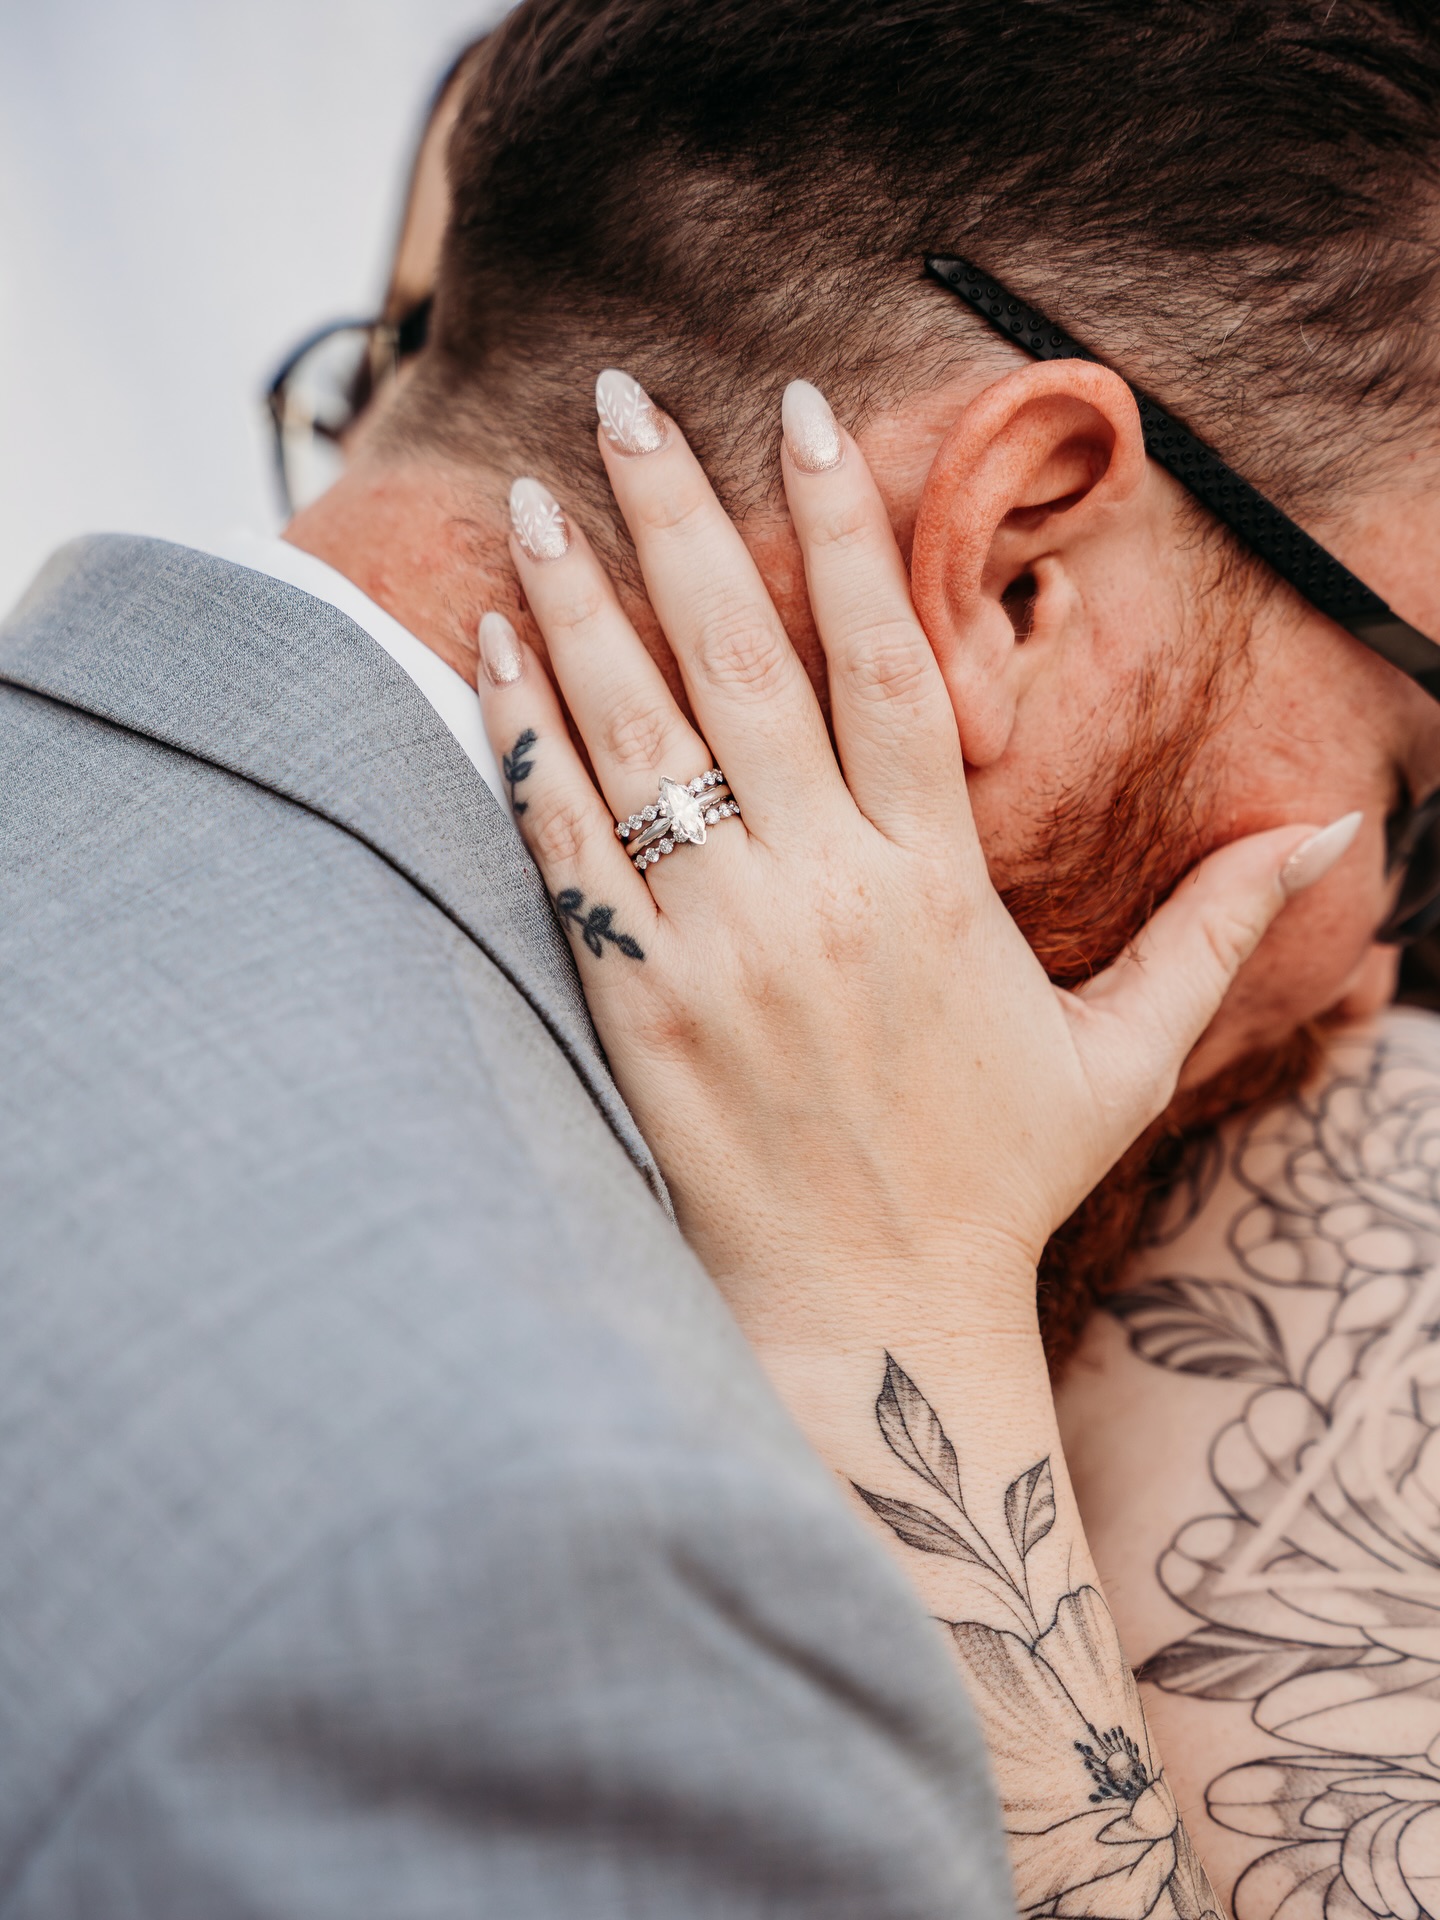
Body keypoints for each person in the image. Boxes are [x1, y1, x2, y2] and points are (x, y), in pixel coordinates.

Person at [1, 0, 1436, 1913]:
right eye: (1418, 794)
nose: (1366, 975)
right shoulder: (585, 1599)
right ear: (1016, 564)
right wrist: (902, 1330)